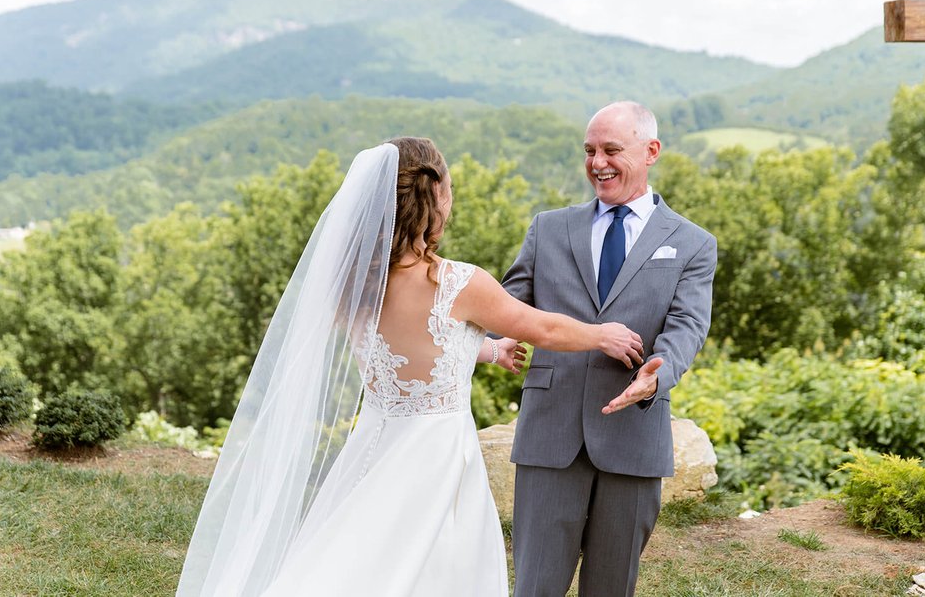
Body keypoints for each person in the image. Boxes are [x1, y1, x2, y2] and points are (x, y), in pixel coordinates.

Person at [176, 137, 645, 596]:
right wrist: (601, 335)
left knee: (359, 554)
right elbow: (541, 328)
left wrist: (485, 351)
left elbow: (409, 349)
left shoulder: (355, 286)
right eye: (450, 190)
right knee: (434, 563)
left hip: (375, 444)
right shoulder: (458, 283)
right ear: (434, 196)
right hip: (436, 454)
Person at [504, 101, 718, 596]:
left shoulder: (693, 243)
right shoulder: (548, 228)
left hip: (633, 437)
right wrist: (489, 344)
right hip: (549, 434)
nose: (597, 163)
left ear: (651, 151)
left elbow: (687, 324)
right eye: (590, 151)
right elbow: (508, 308)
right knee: (533, 588)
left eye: (611, 150)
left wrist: (658, 373)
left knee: (610, 589)